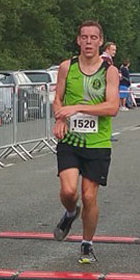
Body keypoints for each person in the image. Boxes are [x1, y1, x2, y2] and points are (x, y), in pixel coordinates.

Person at [51, 21, 120, 264]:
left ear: (101, 41)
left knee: (89, 196)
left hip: (97, 142)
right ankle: (70, 212)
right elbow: (57, 99)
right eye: (84, 37)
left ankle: (87, 244)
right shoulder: (66, 68)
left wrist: (77, 107)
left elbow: (112, 107)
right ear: (78, 40)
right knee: (69, 192)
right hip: (70, 140)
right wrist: (60, 117)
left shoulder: (109, 72)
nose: (88, 42)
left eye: (93, 38)